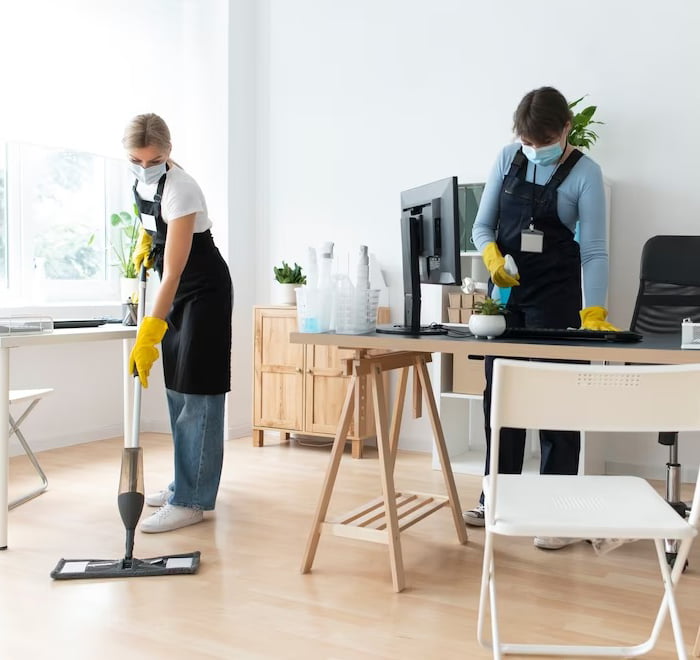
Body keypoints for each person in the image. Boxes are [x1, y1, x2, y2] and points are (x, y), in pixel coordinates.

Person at [462, 87, 618, 549]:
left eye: (543, 140)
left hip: (557, 297)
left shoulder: (586, 174)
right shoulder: (507, 159)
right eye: (528, 140)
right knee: (501, 398)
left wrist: (594, 311)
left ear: (565, 128)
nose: (534, 149)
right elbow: (482, 226)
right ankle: (497, 497)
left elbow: (593, 250)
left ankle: (556, 510)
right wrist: (491, 258)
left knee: (557, 402)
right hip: (507, 297)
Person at [123, 113, 233, 533]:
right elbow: (156, 231)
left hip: (202, 290)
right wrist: (145, 245)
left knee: (198, 390)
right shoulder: (141, 182)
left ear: (168, 154)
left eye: (153, 160)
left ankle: (192, 500)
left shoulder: (182, 188)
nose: (144, 167)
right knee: (176, 389)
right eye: (136, 159)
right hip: (178, 290)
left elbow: (174, 271)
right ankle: (183, 484)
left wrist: (150, 332)